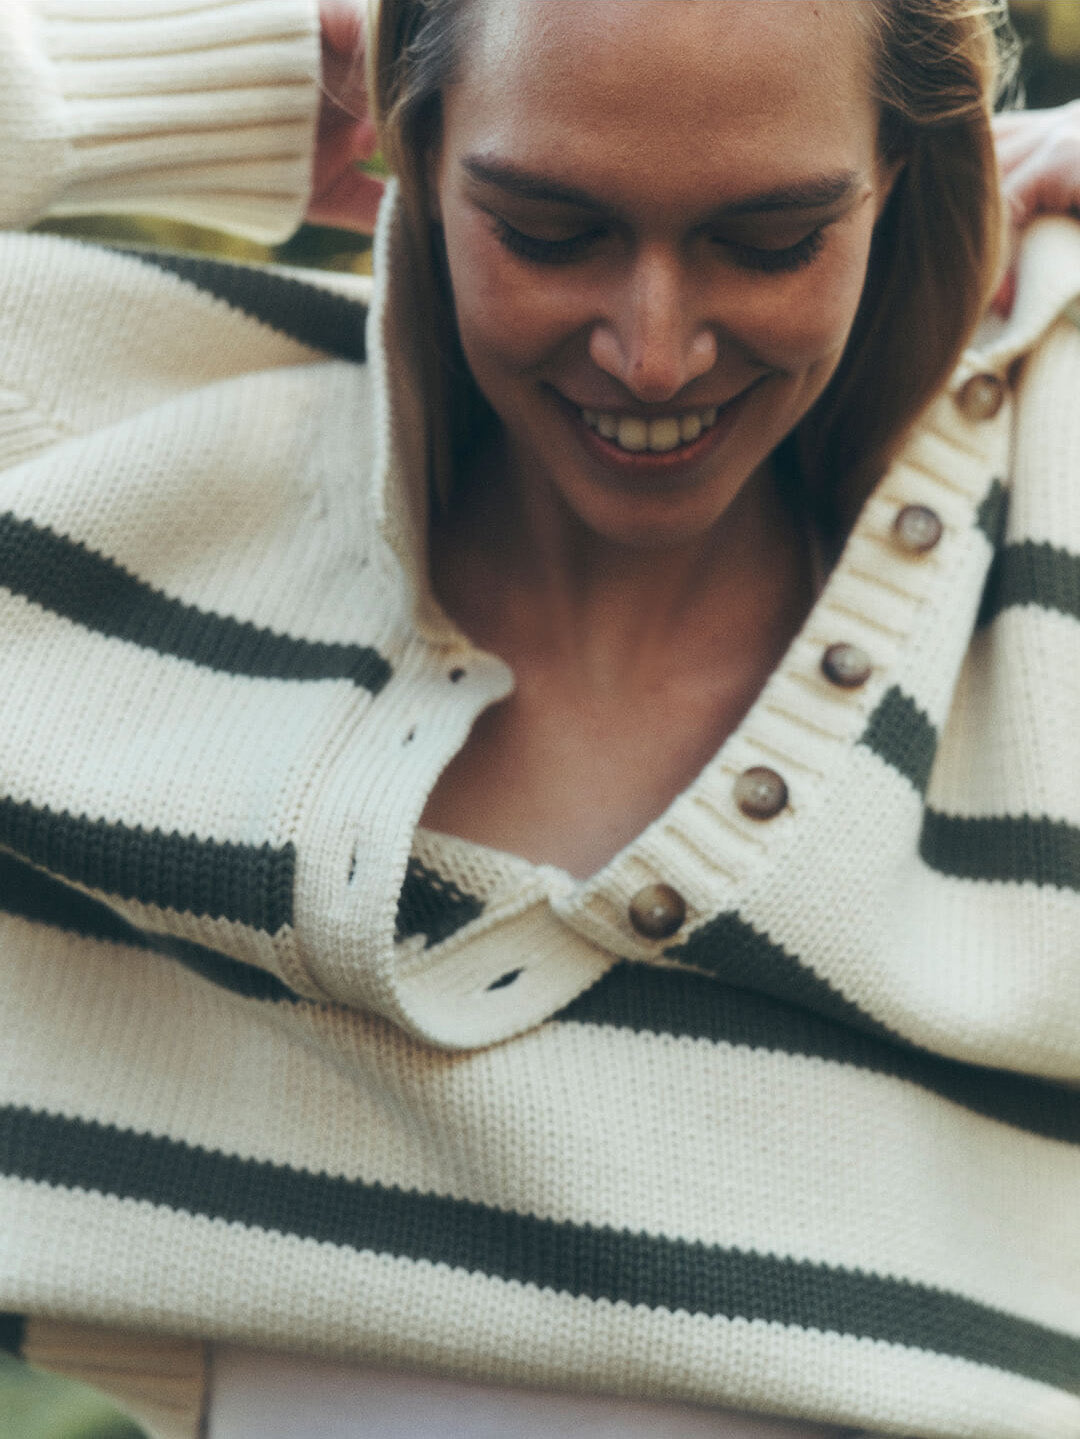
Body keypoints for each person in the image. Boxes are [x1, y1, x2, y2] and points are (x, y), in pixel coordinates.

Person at [0, 1, 1079, 1436]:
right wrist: (229, 82)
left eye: (771, 240)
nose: (653, 355)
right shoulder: (125, 479)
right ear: (415, 148)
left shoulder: (1035, 571)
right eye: (547, 228)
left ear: (900, 169)